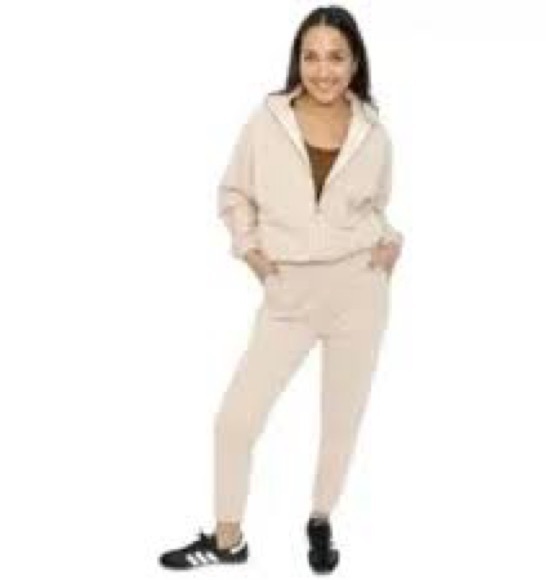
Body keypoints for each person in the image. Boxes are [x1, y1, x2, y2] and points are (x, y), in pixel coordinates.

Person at [159, 4, 404, 574]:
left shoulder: (375, 132)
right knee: (236, 420)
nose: (324, 70)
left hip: (359, 291)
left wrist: (392, 243)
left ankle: (320, 518)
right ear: (298, 61)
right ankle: (227, 540)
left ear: (355, 63)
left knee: (341, 420)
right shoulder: (267, 121)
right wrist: (253, 254)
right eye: (311, 57)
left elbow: (375, 207)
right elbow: (233, 192)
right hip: (289, 295)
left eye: (337, 57)